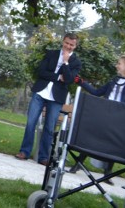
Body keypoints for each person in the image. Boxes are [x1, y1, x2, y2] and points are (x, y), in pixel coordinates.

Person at [15, 33, 81, 166]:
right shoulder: (51, 54)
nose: (68, 46)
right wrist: (57, 77)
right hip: (40, 92)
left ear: (75, 46)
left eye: (71, 45)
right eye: (67, 43)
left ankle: (43, 157)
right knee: (31, 123)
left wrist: (66, 62)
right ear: (63, 41)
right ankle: (24, 152)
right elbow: (41, 72)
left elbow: (68, 80)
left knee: (49, 128)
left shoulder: (76, 62)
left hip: (56, 98)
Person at [67, 55, 125, 182]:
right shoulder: (112, 82)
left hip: (119, 119)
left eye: (119, 64)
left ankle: (107, 172)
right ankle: (78, 163)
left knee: (113, 143)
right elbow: (96, 92)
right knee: (92, 137)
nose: (117, 65)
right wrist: (81, 82)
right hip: (104, 115)